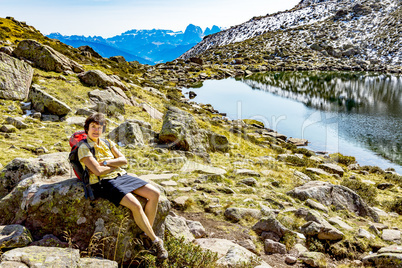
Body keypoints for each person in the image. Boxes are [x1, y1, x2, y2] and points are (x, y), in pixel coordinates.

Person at [78, 113, 168, 260]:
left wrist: (107, 163)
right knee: (136, 205)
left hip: (121, 176)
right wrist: (114, 164)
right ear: (86, 129)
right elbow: (98, 171)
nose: (96, 130)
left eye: (99, 127)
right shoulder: (84, 147)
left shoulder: (107, 142)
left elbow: (124, 161)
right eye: (93, 127)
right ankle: (155, 241)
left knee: (154, 194)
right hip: (103, 182)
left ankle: (145, 234)